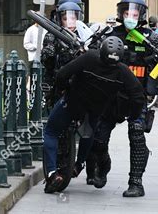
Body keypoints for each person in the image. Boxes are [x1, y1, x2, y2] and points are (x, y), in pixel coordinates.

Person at [88, 0, 158, 197]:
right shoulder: (109, 33)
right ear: (121, 14)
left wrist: (155, 65)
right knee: (98, 138)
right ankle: (103, 165)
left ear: (141, 15)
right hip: (111, 94)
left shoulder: (152, 38)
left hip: (137, 95)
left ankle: (136, 182)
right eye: (127, 13)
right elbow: (91, 53)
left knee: (137, 136)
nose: (131, 16)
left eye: (135, 13)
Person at [43, 37, 146, 193]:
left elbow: (63, 74)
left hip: (72, 103)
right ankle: (79, 164)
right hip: (95, 110)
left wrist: (62, 89)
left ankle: (51, 172)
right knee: (88, 133)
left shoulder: (90, 57)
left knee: (51, 131)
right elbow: (138, 96)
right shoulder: (122, 71)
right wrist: (134, 115)